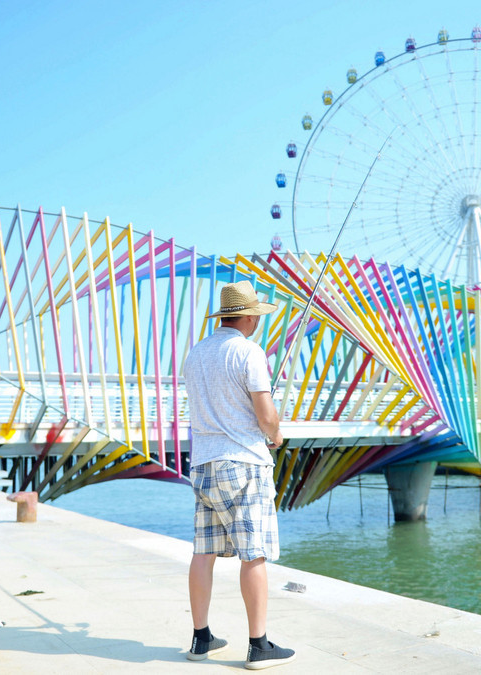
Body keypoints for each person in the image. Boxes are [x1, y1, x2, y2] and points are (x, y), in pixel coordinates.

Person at [182, 280, 297, 670]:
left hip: (203, 465)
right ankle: (259, 645)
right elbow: (266, 417)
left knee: (203, 551)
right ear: (249, 317)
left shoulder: (196, 354)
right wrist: (276, 435)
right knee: (254, 552)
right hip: (243, 465)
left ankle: (201, 638)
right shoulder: (248, 352)